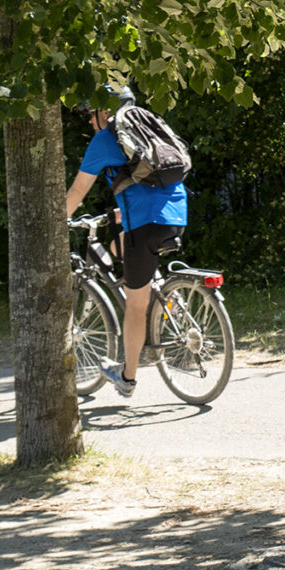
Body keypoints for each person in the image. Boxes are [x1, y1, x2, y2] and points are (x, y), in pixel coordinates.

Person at [62, 84, 189, 398]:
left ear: (105, 110)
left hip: (144, 225)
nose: (91, 122)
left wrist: (55, 222)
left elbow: (77, 193)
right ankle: (168, 298)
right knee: (123, 245)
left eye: (91, 114)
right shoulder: (149, 127)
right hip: (177, 215)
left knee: (135, 306)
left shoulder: (106, 139)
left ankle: (127, 378)